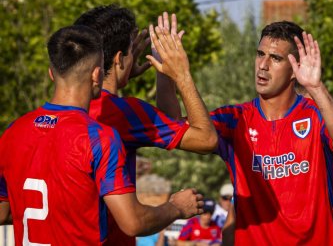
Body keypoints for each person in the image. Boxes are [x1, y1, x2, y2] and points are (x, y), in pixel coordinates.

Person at [157, 19, 333, 245]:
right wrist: (167, 71)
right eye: (260, 54)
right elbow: (173, 127)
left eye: (275, 58)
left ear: (296, 69)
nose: (263, 65)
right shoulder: (236, 119)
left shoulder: (315, 113)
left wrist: (316, 87)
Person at [0, 26, 204, 245]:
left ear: (52, 73)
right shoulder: (99, 137)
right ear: (97, 74)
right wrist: (176, 207)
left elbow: (3, 213)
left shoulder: (13, 131)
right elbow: (133, 222)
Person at [73, 6, 218, 245]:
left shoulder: (71, 111)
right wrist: (180, 74)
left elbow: (168, 125)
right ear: (119, 58)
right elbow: (206, 139)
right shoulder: (125, 113)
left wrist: (132, 73)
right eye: (132, 52)